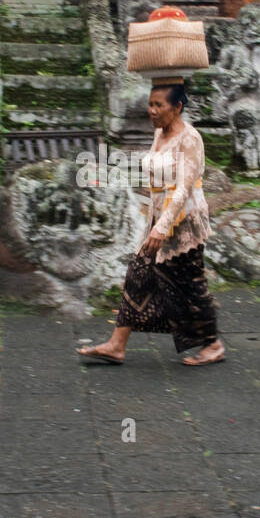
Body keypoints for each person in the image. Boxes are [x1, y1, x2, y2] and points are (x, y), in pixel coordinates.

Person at [78, 78, 225, 365]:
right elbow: (155, 176)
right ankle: (117, 345)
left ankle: (214, 344)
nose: (152, 110)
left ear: (178, 107)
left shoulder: (190, 138)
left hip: (184, 223)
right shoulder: (160, 133)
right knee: (138, 274)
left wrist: (163, 225)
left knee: (191, 284)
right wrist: (150, 214)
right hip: (160, 217)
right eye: (150, 104)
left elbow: (183, 188)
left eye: (159, 105)